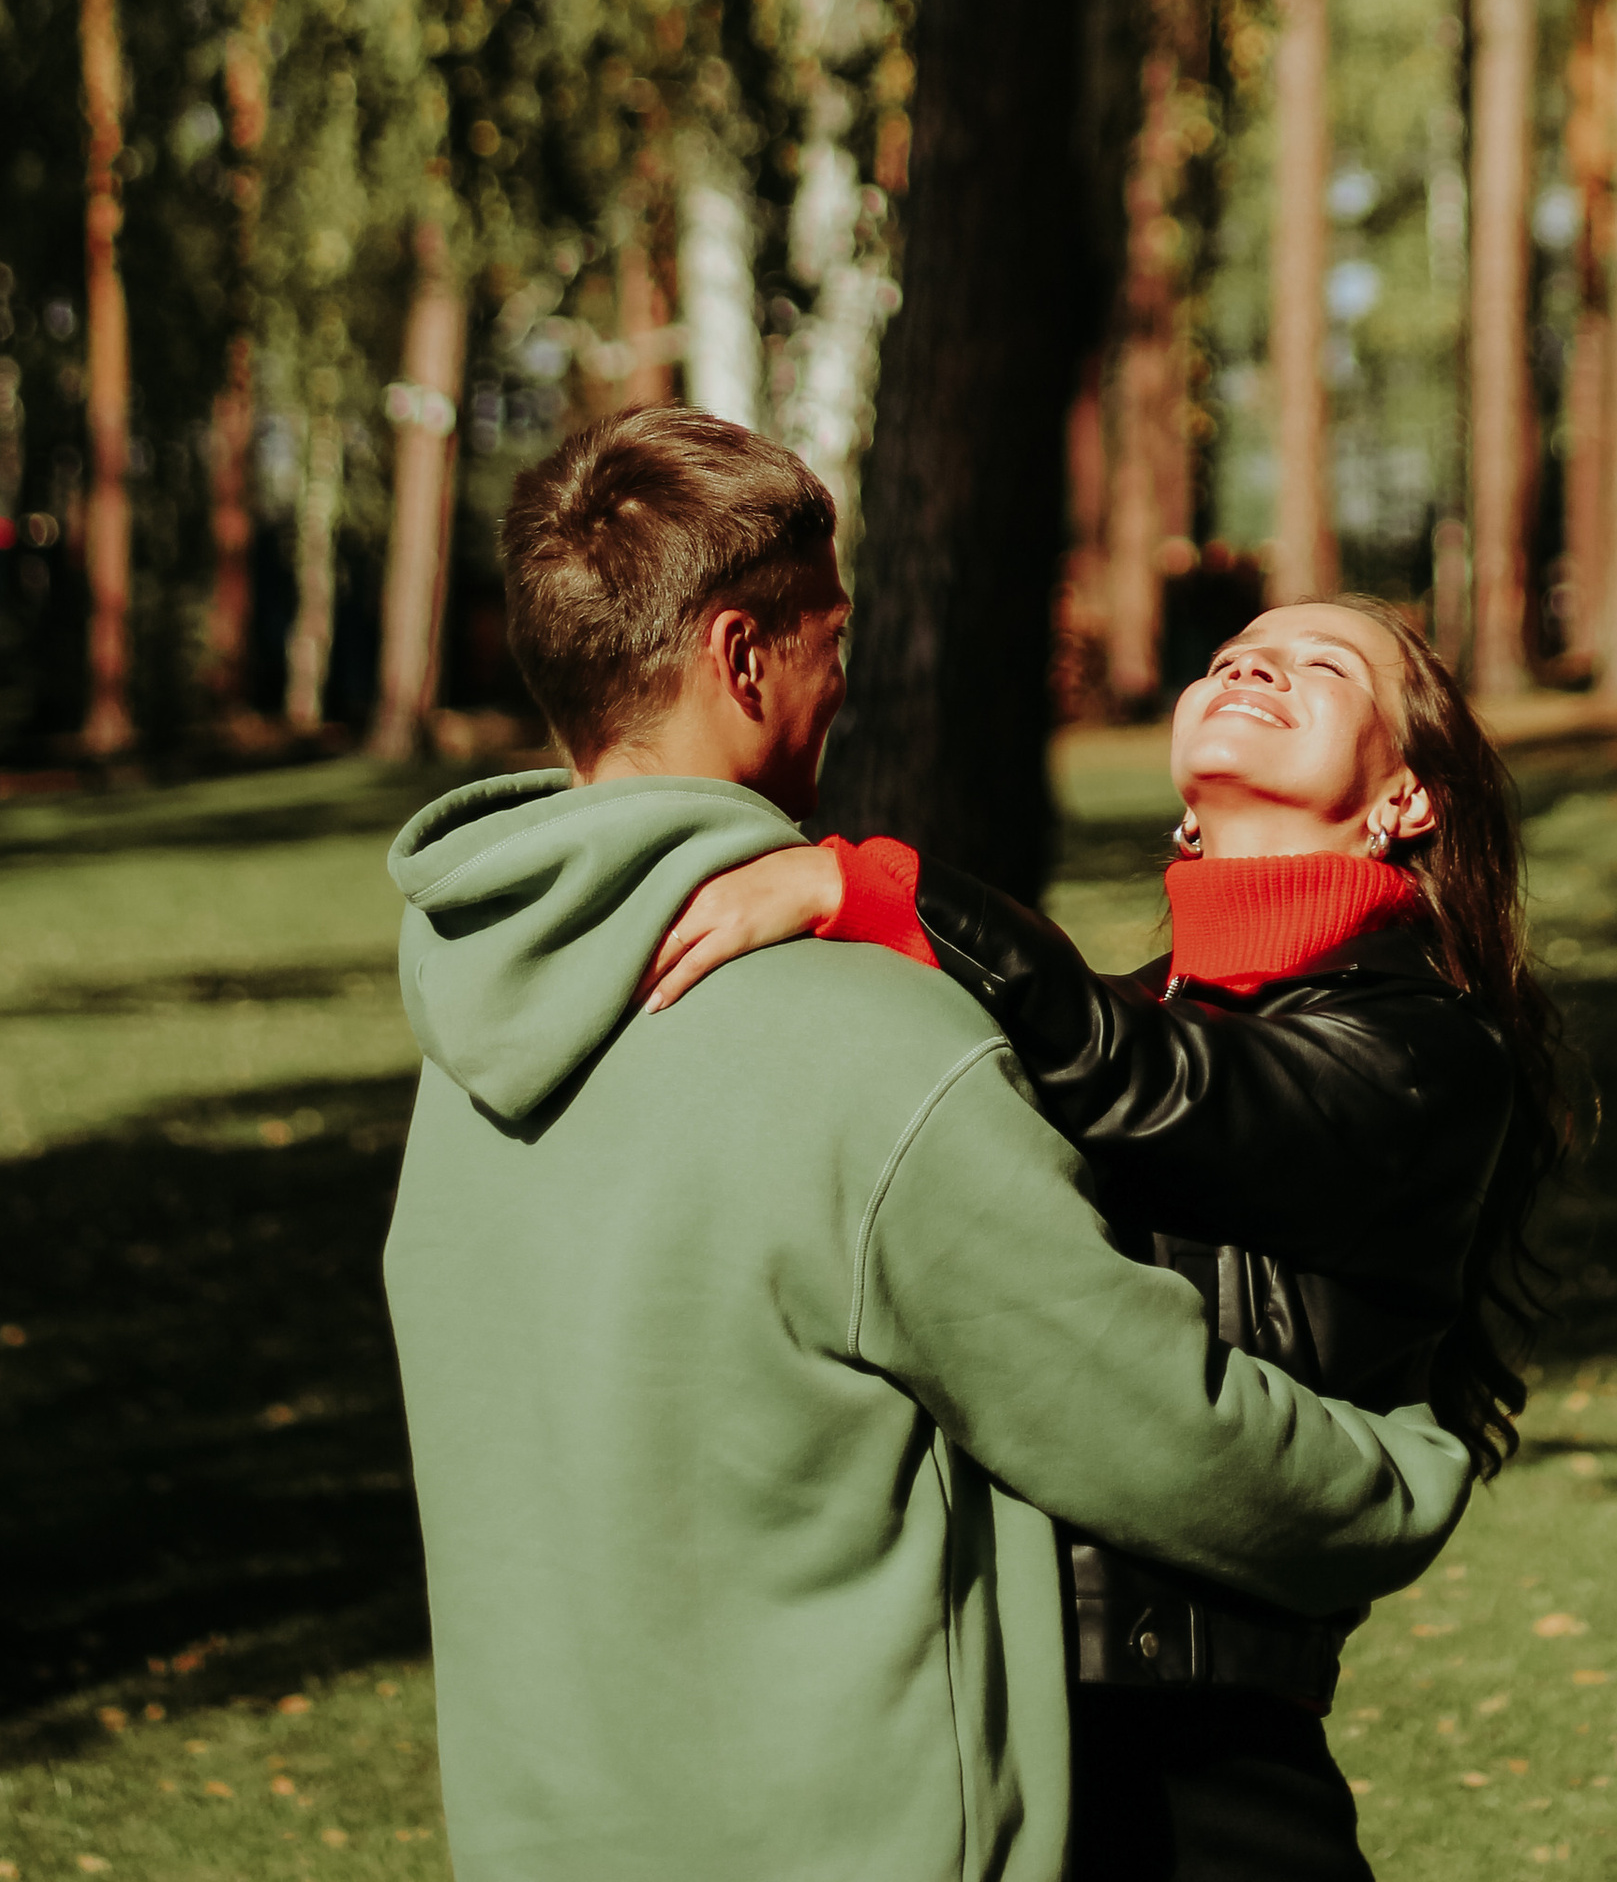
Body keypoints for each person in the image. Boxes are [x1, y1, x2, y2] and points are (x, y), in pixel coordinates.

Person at [381, 412, 1471, 1882]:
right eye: (833, 637)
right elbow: (1139, 1421)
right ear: (740, 657)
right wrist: (1395, 1475)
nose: (848, 680)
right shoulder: (874, 1044)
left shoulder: (464, 1056)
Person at [645, 588, 1569, 1882]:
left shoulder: (1424, 1057)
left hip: (1197, 1765)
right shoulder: (1082, 1023)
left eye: (1321, 667)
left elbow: (1187, 1096)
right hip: (971, 1706)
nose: (1255, 670)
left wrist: (877, 888)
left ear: (1405, 801)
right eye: (1233, 655)